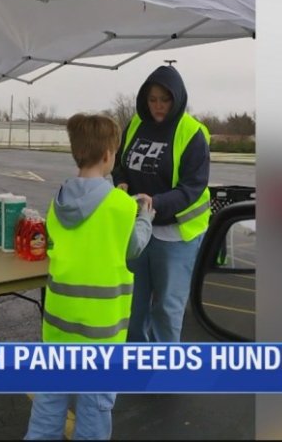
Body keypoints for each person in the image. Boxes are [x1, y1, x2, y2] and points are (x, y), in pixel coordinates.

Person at [25, 113, 155, 440]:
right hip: (101, 334)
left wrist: (115, 196)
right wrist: (145, 217)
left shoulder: (57, 204)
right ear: (109, 155)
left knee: (48, 403)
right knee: (94, 409)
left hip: (57, 328)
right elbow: (134, 247)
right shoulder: (121, 207)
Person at [112, 65, 211, 343]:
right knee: (134, 301)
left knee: (167, 307)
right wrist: (120, 183)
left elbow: (192, 187)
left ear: (177, 99)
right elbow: (120, 164)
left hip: (175, 233)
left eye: (165, 100)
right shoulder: (135, 124)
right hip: (138, 227)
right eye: (152, 99)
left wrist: (155, 203)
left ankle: (166, 370)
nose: (158, 106)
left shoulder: (192, 133)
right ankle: (136, 361)